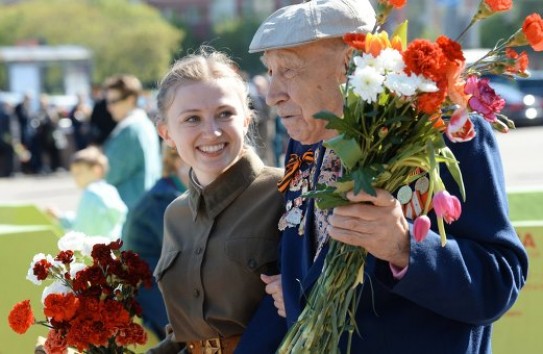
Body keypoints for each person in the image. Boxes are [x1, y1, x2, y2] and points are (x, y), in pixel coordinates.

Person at [235, 1, 529, 353]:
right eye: (270, 72)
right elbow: (302, 264)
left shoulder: (444, 130)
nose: (272, 95)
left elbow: (499, 281)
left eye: (288, 70)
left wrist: (404, 249)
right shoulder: (305, 138)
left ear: (349, 62)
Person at [147, 48, 284, 354]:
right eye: (192, 119)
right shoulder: (176, 215)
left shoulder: (285, 193)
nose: (212, 132)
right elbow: (184, 337)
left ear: (247, 120)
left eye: (225, 114)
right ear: (166, 133)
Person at [121, 143, 190, 341]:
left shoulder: (171, 193)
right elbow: (189, 254)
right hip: (153, 302)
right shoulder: (162, 200)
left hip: (164, 294)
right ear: (177, 163)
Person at [102, 74, 161, 210]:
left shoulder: (129, 130)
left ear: (130, 100)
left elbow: (107, 174)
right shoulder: (145, 124)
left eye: (113, 101)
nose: (109, 108)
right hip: (145, 207)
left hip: (128, 211)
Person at [46, 146, 127, 239]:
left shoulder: (91, 194)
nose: (75, 178)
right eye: (74, 174)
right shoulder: (110, 190)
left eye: (79, 173)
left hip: (92, 250)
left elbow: (82, 230)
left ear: (97, 170)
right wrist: (61, 217)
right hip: (111, 248)